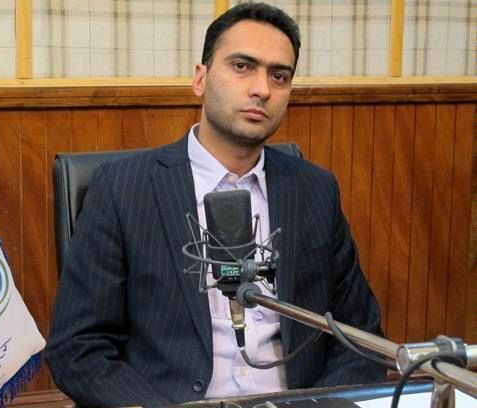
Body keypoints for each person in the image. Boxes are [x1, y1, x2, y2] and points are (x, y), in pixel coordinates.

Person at [46, 3, 386, 407]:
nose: (262, 89)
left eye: (279, 75)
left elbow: (360, 335)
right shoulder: (123, 189)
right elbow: (77, 347)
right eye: (242, 66)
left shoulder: (316, 189)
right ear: (200, 79)